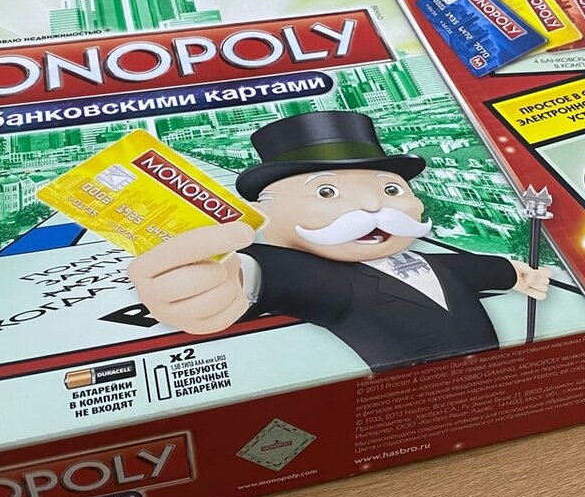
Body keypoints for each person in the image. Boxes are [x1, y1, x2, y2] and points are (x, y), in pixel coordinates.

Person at [129, 111, 551, 372]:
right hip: (418, 406)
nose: (372, 205)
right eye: (327, 192)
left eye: (390, 190)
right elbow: (264, 276)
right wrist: (217, 282)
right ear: (266, 213)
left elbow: (475, 270)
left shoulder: (433, 263)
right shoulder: (326, 281)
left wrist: (517, 273)